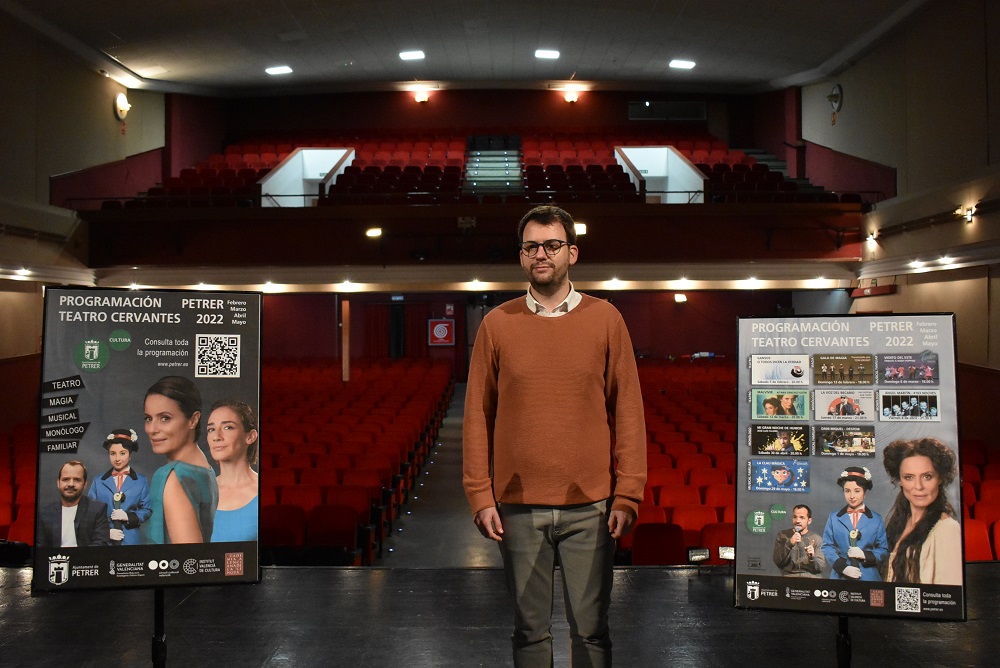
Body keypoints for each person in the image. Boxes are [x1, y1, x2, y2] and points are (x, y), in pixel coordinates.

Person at [463, 205, 646, 667]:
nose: (541, 254)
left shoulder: (606, 319)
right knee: (529, 633)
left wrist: (628, 493)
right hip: (518, 506)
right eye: (531, 247)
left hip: (591, 506)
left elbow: (627, 411)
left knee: (591, 632)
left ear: (572, 253)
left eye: (551, 245)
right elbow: (477, 416)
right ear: (521, 256)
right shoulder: (496, 324)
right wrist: (480, 494)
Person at [139, 376, 219, 544]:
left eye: (165, 418)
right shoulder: (205, 469)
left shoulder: (173, 477)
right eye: (148, 418)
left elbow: (189, 556)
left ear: (193, 419)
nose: (152, 429)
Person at [882, 438, 962, 585]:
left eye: (927, 477)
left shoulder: (947, 529)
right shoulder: (899, 522)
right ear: (900, 481)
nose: (918, 486)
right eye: (909, 477)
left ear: (940, 478)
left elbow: (950, 595)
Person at [821, 466, 888, 580]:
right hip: (840, 577)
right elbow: (826, 546)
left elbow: (883, 550)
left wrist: (864, 555)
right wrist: (843, 568)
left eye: (857, 491)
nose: (852, 496)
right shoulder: (834, 517)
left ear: (864, 493)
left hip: (868, 577)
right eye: (847, 491)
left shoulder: (876, 519)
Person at [86, 427, 151, 545]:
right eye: (113, 453)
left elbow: (147, 510)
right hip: (104, 541)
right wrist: (106, 532)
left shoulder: (141, 481)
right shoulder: (98, 481)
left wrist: (128, 517)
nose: (117, 459)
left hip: (131, 540)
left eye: (122, 453)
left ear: (130, 455)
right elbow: (90, 512)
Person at [207, 399, 260, 542]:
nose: (216, 437)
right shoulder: (199, 491)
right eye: (211, 429)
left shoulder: (263, 492)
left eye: (228, 427)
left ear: (250, 436)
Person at [37, 461, 111, 547]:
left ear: (85, 484)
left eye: (77, 480)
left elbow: (100, 544)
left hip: (87, 556)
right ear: (58, 483)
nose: (71, 484)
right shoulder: (45, 513)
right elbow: (41, 548)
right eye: (66, 479)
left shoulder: (98, 510)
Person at [773, 505, 826, 577]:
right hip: (789, 578)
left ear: (809, 521)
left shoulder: (816, 539)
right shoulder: (783, 535)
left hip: (811, 579)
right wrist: (789, 544)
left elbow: (820, 568)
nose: (797, 521)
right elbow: (778, 562)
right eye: (795, 517)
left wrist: (812, 557)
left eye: (802, 517)